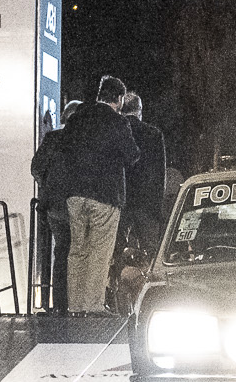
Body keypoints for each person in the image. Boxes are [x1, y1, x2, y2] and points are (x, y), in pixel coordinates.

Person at [60, 77, 140, 313]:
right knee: (99, 251)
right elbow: (132, 155)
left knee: (77, 251)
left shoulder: (77, 118)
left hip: (74, 194)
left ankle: (75, 306)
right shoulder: (118, 122)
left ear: (99, 95)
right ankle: (93, 305)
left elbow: (63, 149)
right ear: (118, 99)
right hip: (105, 195)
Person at [30, 99, 82, 312]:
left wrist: (47, 186)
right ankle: (75, 303)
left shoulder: (52, 138)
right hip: (75, 204)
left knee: (61, 252)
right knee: (77, 252)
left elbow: (36, 168)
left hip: (53, 207)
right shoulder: (82, 141)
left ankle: (60, 304)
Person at [117, 89, 171, 283]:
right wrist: (157, 207)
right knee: (151, 251)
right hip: (146, 202)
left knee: (116, 250)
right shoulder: (153, 134)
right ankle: (149, 287)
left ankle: (115, 290)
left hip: (121, 200)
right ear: (139, 110)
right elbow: (159, 174)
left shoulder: (117, 131)